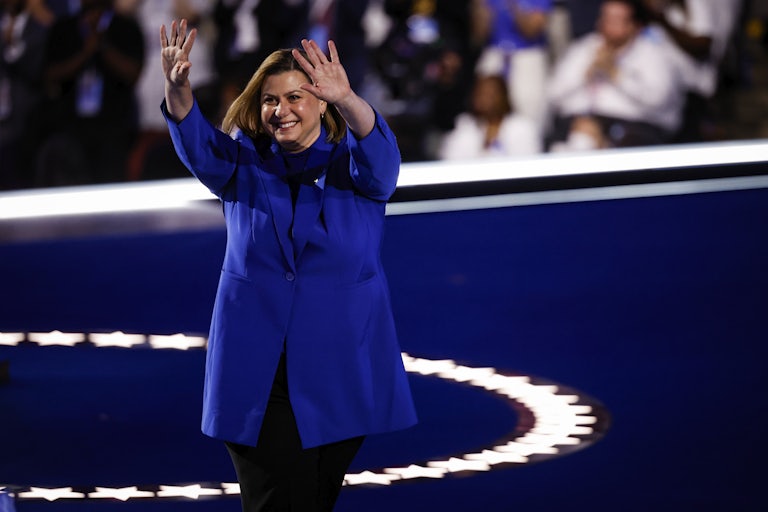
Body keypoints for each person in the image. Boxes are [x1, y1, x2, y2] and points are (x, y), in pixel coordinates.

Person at [160, 18, 417, 512]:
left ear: (322, 101)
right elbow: (197, 145)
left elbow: (384, 158)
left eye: (296, 97)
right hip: (260, 377)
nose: (282, 111)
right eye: (270, 100)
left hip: (339, 372)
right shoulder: (241, 166)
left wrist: (350, 98)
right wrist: (177, 89)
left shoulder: (357, 169)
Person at [546, 0, 683, 149]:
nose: (608, 25)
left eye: (616, 20)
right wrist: (585, 74)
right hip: (578, 122)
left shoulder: (653, 53)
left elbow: (658, 100)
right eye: (606, 18)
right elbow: (553, 94)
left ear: (634, 26)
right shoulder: (584, 48)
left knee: (584, 140)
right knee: (573, 137)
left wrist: (616, 74)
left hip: (634, 129)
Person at [437, 73, 542, 159]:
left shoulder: (522, 127)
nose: (484, 99)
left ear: (503, 96)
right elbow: (450, 160)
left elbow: (527, 165)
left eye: (490, 94)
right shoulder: (465, 126)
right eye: (481, 93)